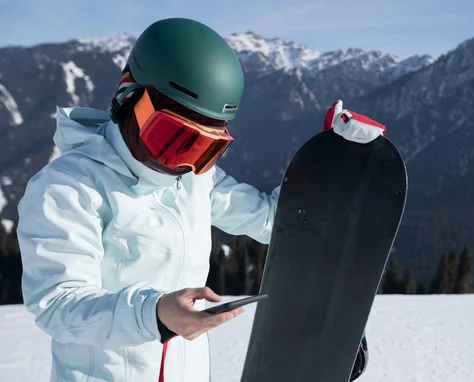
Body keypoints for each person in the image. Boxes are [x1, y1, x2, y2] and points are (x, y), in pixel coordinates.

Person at [16, 18, 386, 382]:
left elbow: (277, 224)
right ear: (130, 99)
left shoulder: (195, 179)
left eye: (205, 148)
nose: (183, 163)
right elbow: (58, 304)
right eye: (172, 137)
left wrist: (332, 161)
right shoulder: (67, 188)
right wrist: (154, 313)